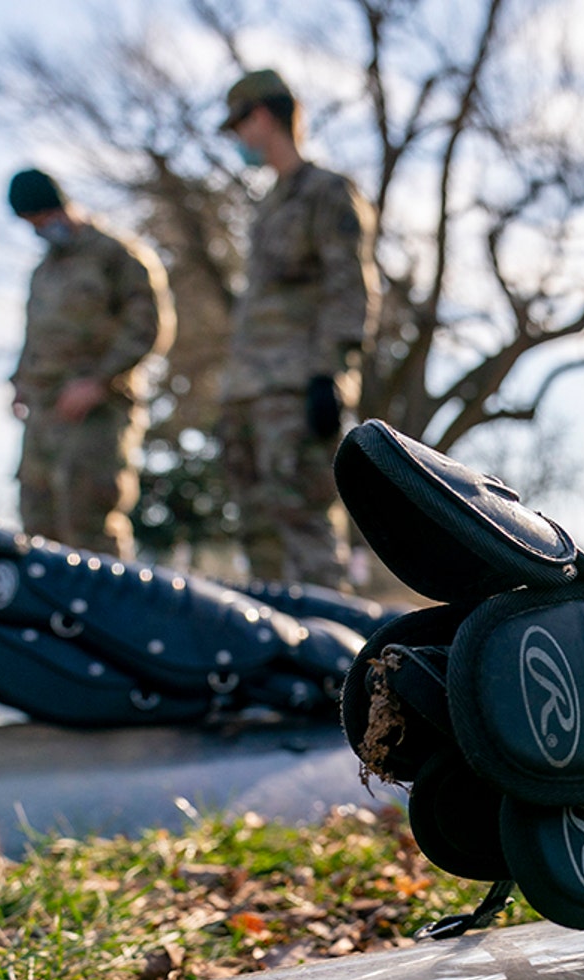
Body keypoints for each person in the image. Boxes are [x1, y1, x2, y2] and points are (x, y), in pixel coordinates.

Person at [218, 68, 380, 589]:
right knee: (258, 532)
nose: (239, 140)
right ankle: (273, 653)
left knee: (306, 531)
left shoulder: (326, 192)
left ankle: (331, 661)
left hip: (296, 389)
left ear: (261, 117)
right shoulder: (268, 206)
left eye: (239, 125)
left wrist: (329, 374)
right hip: (249, 391)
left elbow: (349, 284)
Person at [7, 168, 173, 560]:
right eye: (32, 225)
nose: (40, 230)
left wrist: (98, 382)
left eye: (44, 219)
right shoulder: (44, 270)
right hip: (44, 412)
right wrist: (20, 383)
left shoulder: (117, 255)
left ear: (61, 207)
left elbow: (150, 327)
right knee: (37, 524)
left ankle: (112, 616)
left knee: (89, 522)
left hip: (98, 411)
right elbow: (36, 336)